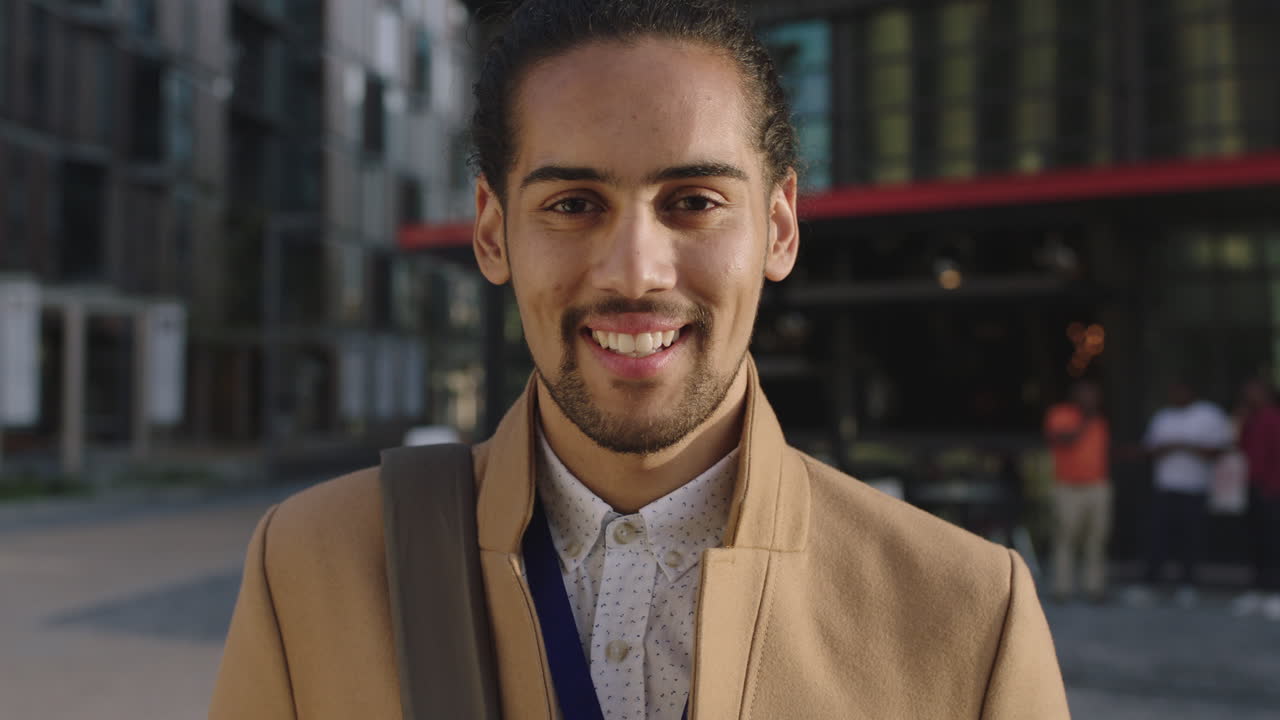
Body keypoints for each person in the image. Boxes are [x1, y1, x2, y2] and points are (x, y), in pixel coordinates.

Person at [209, 2, 1069, 718]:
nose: (634, 271)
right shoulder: (311, 568)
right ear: (492, 229)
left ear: (778, 227)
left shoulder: (966, 611)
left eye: (694, 201)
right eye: (574, 203)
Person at [1128, 379, 1233, 608]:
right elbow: (1148, 449)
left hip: (1195, 488)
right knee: (1158, 536)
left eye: (1180, 390)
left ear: (1191, 391)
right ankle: (1150, 583)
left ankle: (1189, 585)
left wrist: (1185, 446)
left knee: (1191, 538)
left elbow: (1221, 449)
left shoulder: (1208, 414)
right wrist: (1165, 448)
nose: (1176, 395)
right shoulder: (1163, 417)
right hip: (1165, 488)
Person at [1044, 381, 1111, 603]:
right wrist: (1085, 420)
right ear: (1075, 396)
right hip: (1068, 487)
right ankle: (1061, 589)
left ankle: (1094, 588)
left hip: (1097, 486)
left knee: (1097, 539)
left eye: (1094, 395)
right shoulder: (1060, 414)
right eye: (1086, 395)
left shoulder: (1101, 421)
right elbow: (1063, 440)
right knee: (1065, 537)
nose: (1090, 399)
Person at [1233, 378, 1280, 620]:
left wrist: (1271, 486)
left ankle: (1274, 593)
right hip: (1253, 486)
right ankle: (1257, 590)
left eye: (1252, 391)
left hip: (1272, 489)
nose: (1248, 396)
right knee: (1255, 539)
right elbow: (1242, 448)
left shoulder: (1273, 417)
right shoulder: (1251, 419)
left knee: (1273, 542)